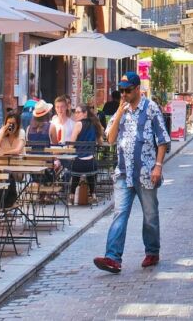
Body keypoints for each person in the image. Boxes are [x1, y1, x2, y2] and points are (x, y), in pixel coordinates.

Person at [94, 71, 170, 273]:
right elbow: (110, 139)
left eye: (127, 90)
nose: (124, 94)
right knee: (120, 213)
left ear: (137, 89)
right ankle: (113, 257)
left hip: (146, 172)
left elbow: (163, 140)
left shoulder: (151, 108)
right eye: (121, 91)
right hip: (123, 173)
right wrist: (119, 112)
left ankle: (152, 251)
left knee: (150, 215)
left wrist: (158, 166)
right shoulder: (122, 111)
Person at [68, 104, 103, 197]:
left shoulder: (78, 124)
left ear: (85, 113)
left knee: (74, 166)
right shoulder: (95, 124)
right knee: (91, 167)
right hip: (91, 164)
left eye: (78, 112)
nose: (76, 114)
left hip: (78, 164)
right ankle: (93, 194)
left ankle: (71, 195)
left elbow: (71, 145)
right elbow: (101, 143)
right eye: (75, 112)